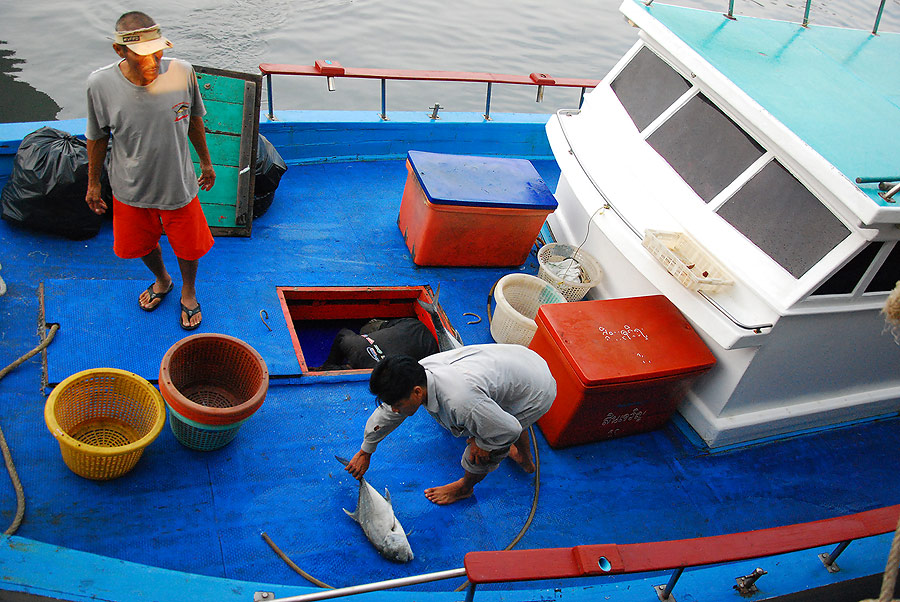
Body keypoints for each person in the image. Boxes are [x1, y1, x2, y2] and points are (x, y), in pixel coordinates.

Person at [85, 11, 216, 330]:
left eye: (158, 51)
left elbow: (194, 120)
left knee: (187, 245)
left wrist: (207, 163)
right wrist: (93, 184)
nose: (154, 60)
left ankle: (188, 291)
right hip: (130, 186)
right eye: (143, 55)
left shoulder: (182, 72)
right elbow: (97, 136)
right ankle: (162, 279)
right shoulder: (100, 84)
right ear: (120, 51)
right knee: (140, 244)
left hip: (178, 185)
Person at [344, 344, 557, 505]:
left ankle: (464, 488)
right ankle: (526, 460)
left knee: (481, 452)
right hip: (522, 361)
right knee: (495, 419)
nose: (396, 410)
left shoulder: (460, 403)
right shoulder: (419, 372)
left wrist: (483, 443)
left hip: (536, 390)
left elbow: (509, 429)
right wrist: (366, 451)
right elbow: (387, 414)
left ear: (417, 392)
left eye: (398, 404)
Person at [313, 317, 440, 371]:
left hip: (358, 345)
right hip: (378, 367)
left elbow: (380, 326)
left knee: (344, 334)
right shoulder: (434, 352)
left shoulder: (411, 322)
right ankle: (346, 368)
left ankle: (328, 365)